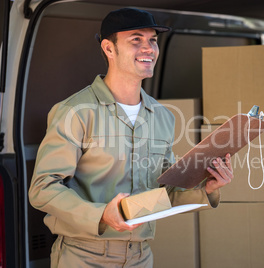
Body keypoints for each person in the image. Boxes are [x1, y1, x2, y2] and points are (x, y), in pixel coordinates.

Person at [28, 7, 233, 268]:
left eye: (153, 41)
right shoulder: (74, 112)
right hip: (84, 256)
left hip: (141, 256)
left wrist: (207, 190)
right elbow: (43, 189)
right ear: (109, 48)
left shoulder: (162, 117)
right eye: (136, 40)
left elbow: (164, 192)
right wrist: (101, 214)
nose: (148, 48)